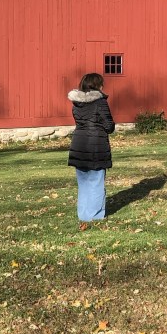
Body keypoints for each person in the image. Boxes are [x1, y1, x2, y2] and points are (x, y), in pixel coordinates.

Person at [68, 72, 115, 223]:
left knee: (83, 182)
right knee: (96, 181)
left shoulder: (76, 103)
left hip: (79, 143)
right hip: (96, 146)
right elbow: (109, 126)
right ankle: (95, 216)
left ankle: (84, 215)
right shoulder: (100, 102)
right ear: (97, 86)